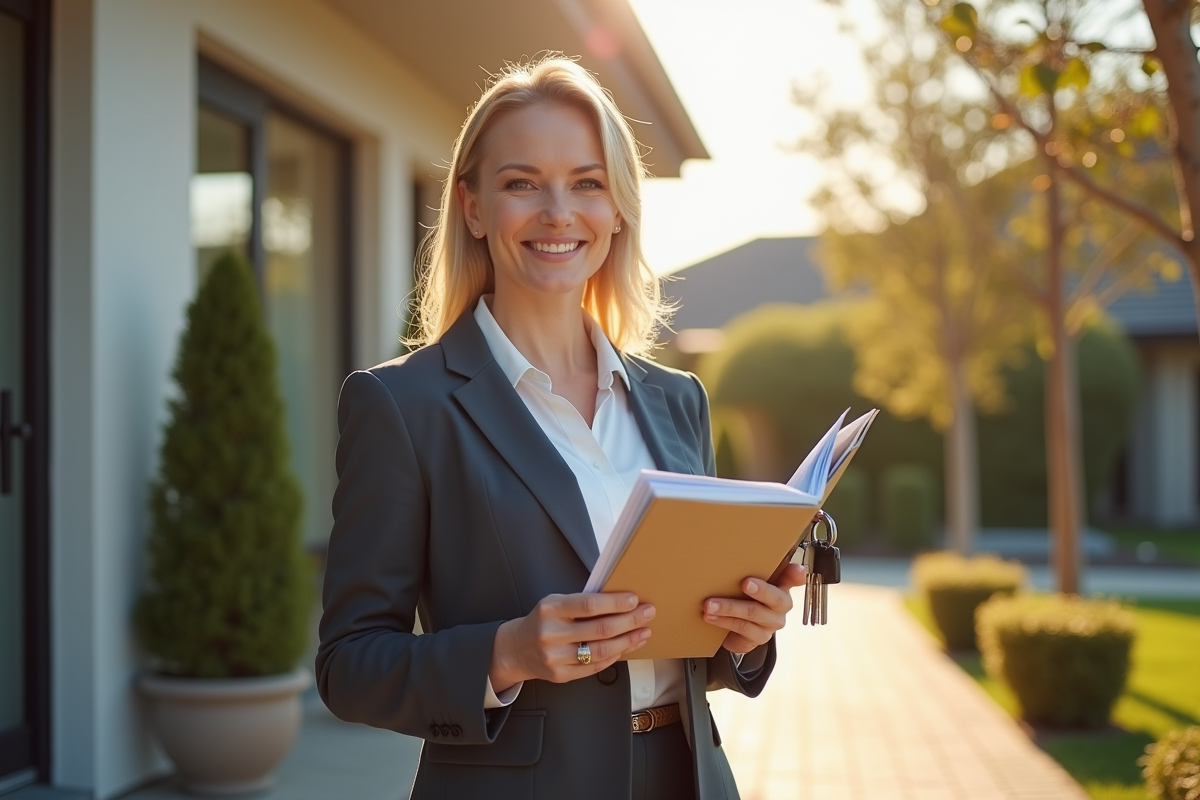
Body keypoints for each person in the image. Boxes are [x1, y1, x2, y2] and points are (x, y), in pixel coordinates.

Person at [315, 55, 807, 800]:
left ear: (617, 210)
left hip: (689, 780)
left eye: (587, 183)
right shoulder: (402, 405)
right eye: (521, 183)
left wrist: (745, 634)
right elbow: (349, 667)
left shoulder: (678, 400)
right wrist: (506, 653)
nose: (558, 212)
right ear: (475, 208)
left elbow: (690, 648)